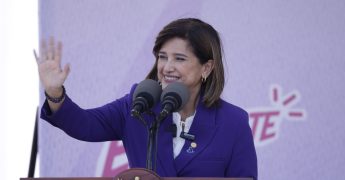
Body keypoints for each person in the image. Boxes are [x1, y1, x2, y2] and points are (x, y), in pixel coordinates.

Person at [37, 18, 257, 179]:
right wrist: (55, 92)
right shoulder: (140, 104)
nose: (167, 67)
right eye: (162, 57)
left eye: (179, 59)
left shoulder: (233, 121)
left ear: (206, 68)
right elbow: (85, 125)